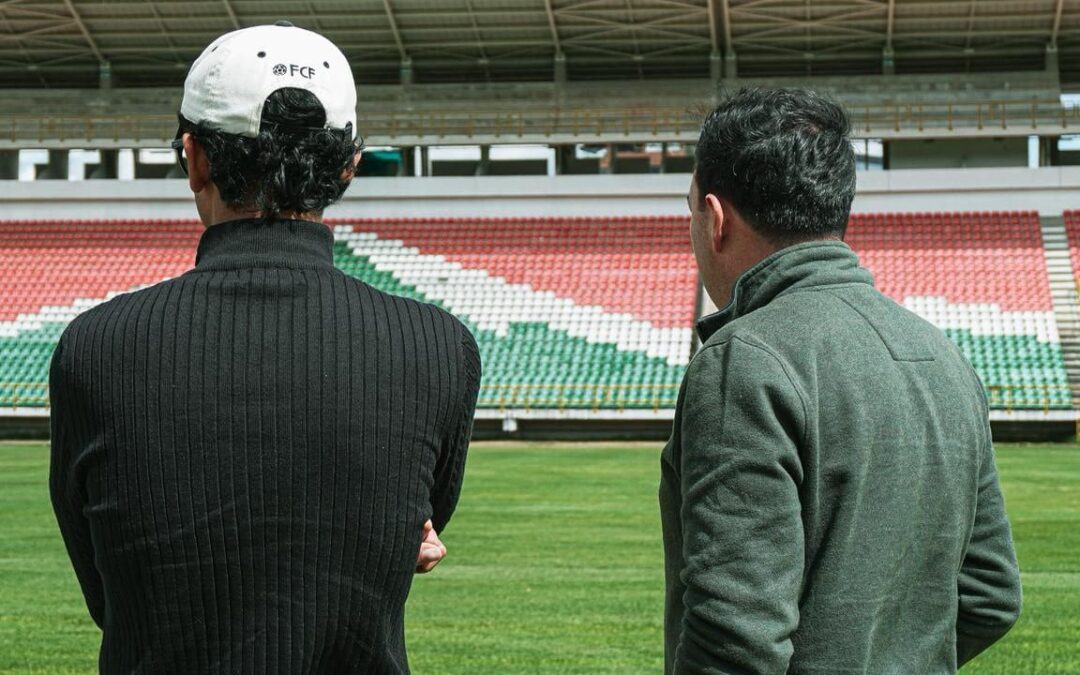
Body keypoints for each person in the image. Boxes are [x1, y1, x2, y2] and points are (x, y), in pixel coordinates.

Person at [49, 23, 480, 673]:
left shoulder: (94, 346)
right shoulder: (439, 345)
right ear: (346, 165)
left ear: (194, 156)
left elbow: (109, 594)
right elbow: (408, 537)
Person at [659, 88, 1022, 673]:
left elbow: (736, 637)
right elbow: (990, 594)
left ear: (715, 217)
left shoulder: (745, 359)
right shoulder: (943, 354)